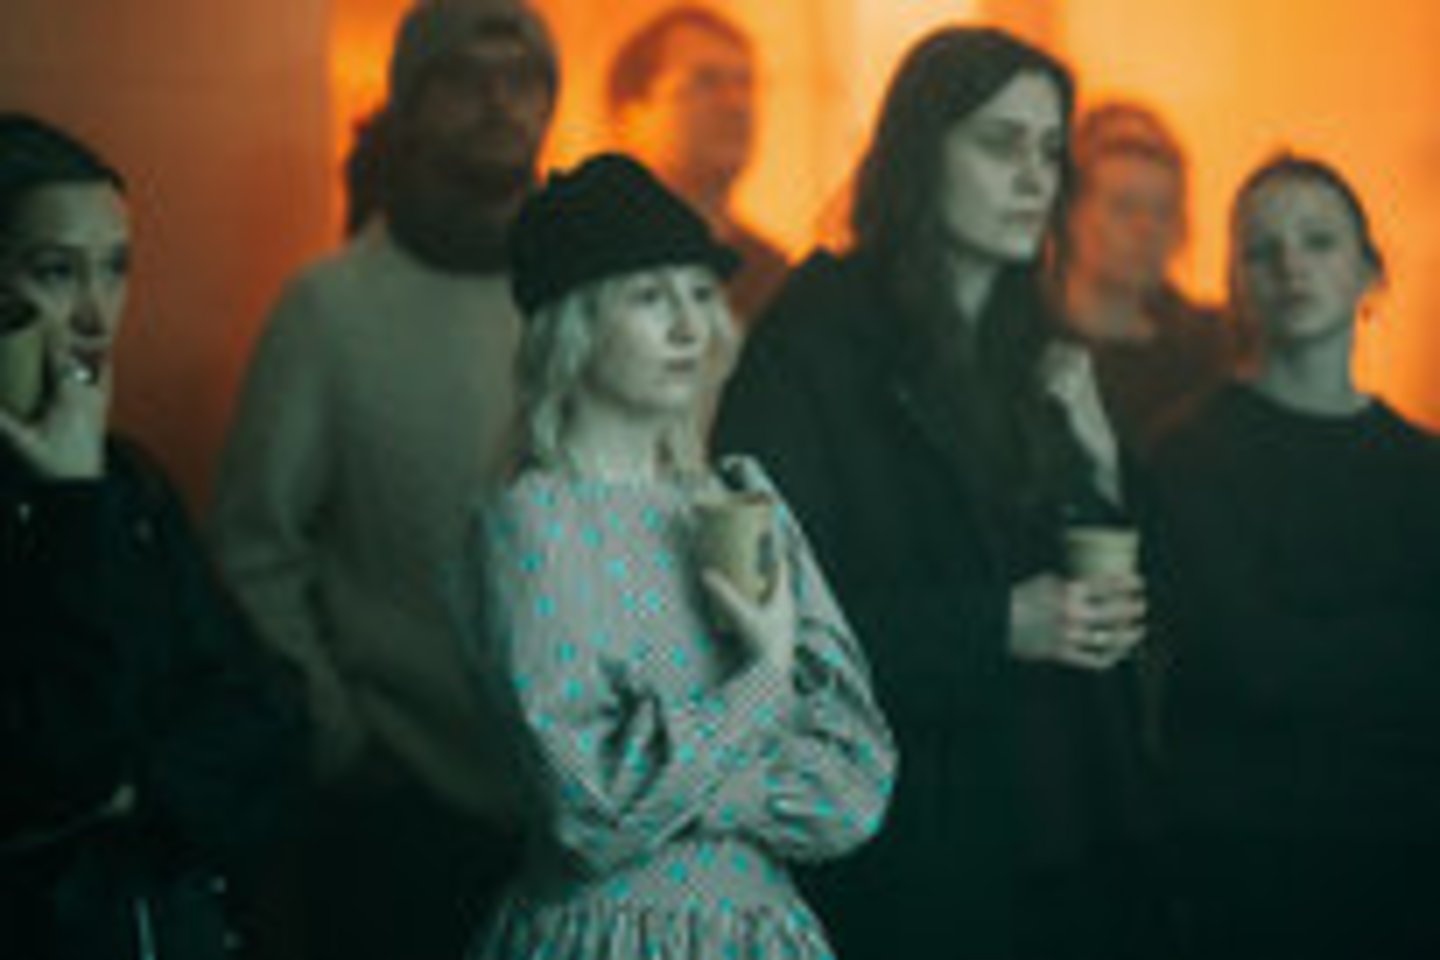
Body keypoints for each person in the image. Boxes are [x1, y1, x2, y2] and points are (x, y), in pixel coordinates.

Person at [714, 27, 1161, 960]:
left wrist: (1104, 469)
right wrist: (996, 625)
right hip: (907, 850)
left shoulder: (1034, 346)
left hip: (1063, 834)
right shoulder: (812, 341)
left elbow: (1124, 599)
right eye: (1001, 145)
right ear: (921, 153)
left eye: (1050, 152)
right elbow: (766, 628)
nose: (1034, 179)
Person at [450, 152, 895, 960]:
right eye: (650, 297)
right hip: (606, 938)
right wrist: (763, 677)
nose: (690, 327)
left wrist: (674, 785)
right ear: (575, 324)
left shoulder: (742, 498)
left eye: (699, 293)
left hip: (764, 935)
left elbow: (854, 786)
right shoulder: (533, 524)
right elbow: (590, 812)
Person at [209, 1, 558, 957]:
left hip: (579, 811)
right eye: (465, 77)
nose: (499, 101)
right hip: (399, 815)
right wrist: (340, 737)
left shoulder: (587, 305)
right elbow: (253, 545)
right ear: (409, 105)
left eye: (522, 78)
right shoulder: (329, 309)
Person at [0, 112, 304, 960]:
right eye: (56, 271)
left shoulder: (130, 482)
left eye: (116, 269)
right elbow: (62, 767)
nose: (95, 313)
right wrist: (67, 499)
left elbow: (271, 714)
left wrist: (139, 790)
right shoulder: (85, 490)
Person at [1147, 154, 1440, 960]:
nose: (1290, 266)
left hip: (1410, 864)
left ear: (1371, 272)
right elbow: (1252, 662)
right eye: (1262, 249)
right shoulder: (1185, 456)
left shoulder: (1425, 469)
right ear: (1235, 286)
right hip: (1249, 869)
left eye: (1318, 240)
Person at [1059, 101, 1245, 453]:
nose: (1146, 230)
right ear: (1072, 215)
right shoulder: (1017, 340)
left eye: (1164, 212)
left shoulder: (1213, 352)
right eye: (1124, 208)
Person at [608, 5, 787, 326]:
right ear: (630, 116)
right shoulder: (587, 263)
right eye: (705, 82)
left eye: (746, 84)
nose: (736, 104)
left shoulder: (775, 278)